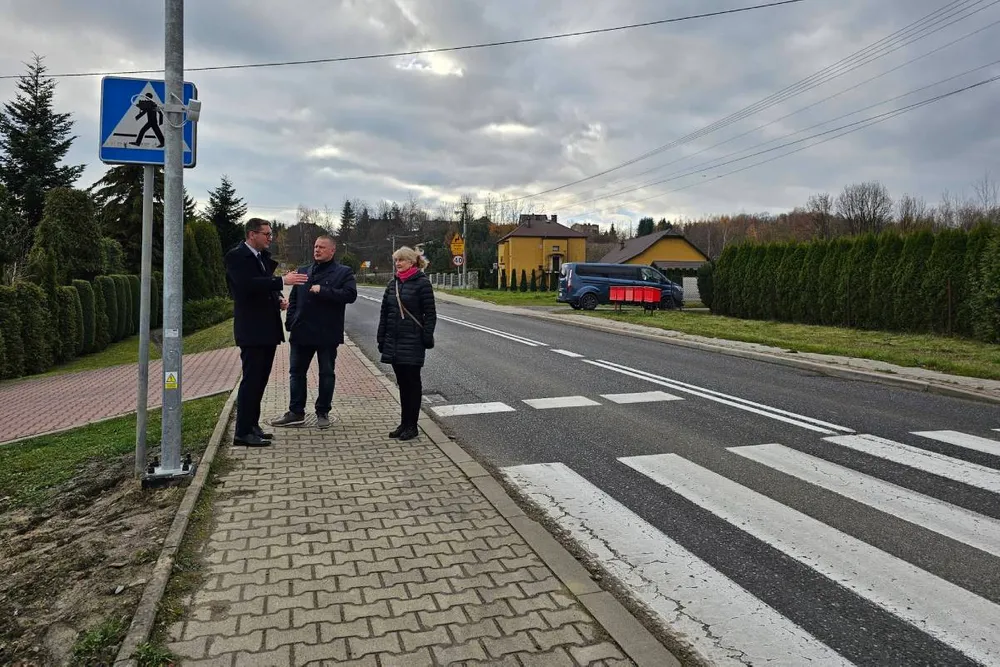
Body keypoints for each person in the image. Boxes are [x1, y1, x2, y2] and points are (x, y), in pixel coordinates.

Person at [225, 218, 308, 447]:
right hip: (252, 330)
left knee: (260, 381)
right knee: (251, 380)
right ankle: (242, 432)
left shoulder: (260, 257)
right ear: (252, 234)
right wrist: (282, 281)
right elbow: (246, 286)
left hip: (266, 329)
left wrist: (278, 299)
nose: (270, 238)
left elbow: (262, 287)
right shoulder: (236, 256)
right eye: (266, 234)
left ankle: (252, 426)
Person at [271, 235, 357, 429]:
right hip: (301, 332)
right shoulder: (303, 271)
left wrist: (324, 291)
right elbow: (294, 299)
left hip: (327, 332)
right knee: (296, 373)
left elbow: (351, 295)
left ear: (332, 250)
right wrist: (291, 322)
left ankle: (323, 411)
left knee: (326, 373)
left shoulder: (343, 272)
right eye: (316, 246)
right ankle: (296, 412)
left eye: (322, 247)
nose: (317, 250)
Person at [377, 247, 437, 441]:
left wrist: (427, 336)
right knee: (402, 384)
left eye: (401, 260)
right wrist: (381, 337)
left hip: (413, 341)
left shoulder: (422, 283)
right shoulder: (391, 284)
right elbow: (385, 313)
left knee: (412, 383)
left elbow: (430, 314)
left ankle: (412, 425)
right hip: (394, 341)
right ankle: (404, 423)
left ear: (411, 262)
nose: (397, 264)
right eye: (396, 260)